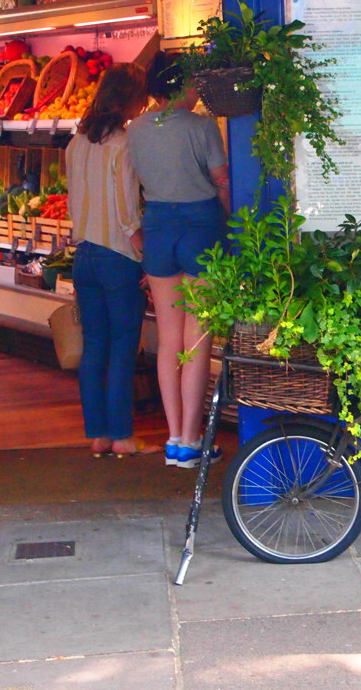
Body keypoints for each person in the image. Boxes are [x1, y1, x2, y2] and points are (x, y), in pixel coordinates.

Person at [127, 53, 229, 469]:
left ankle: (172, 438)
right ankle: (192, 439)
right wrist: (232, 224)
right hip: (201, 225)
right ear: (184, 86)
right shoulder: (203, 126)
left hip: (159, 229)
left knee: (168, 340)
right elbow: (222, 182)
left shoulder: (135, 129)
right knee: (197, 337)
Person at [65, 62, 150, 458]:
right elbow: (128, 211)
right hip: (118, 256)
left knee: (94, 346)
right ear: (128, 98)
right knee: (122, 347)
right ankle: (123, 436)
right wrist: (145, 256)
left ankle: (97, 434)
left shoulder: (77, 142)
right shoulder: (125, 143)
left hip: (84, 256)